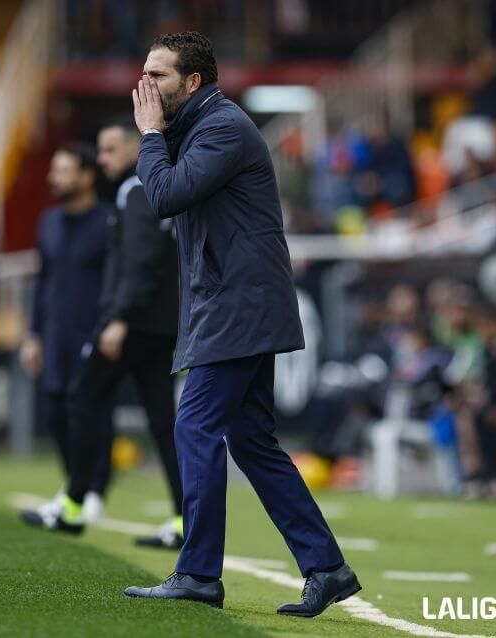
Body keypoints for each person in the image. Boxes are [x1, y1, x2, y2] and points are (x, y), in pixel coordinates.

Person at [122, 32, 360, 616]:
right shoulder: (202, 128)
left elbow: (166, 194)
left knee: (195, 425)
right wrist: (158, 134)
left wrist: (151, 136)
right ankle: (326, 567)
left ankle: (199, 574)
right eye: (144, 73)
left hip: (238, 305)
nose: (146, 86)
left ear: (194, 82)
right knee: (251, 440)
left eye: (160, 76)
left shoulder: (223, 128)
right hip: (233, 302)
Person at [21, 118, 184, 549]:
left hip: (135, 323)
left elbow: (141, 262)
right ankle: (185, 519)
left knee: (85, 399)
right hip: (158, 323)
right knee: (163, 422)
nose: (104, 159)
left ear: (134, 148)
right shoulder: (154, 188)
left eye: (111, 150)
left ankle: (76, 502)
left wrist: (119, 317)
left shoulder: (136, 189)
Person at [18, 143, 114, 521]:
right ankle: (74, 482)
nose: (53, 177)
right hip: (56, 333)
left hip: (93, 332)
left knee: (93, 411)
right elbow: (42, 282)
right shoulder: (49, 222)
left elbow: (114, 282)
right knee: (57, 411)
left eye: (63, 170)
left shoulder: (109, 222)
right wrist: (33, 334)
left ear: (86, 176)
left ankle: (95, 489)